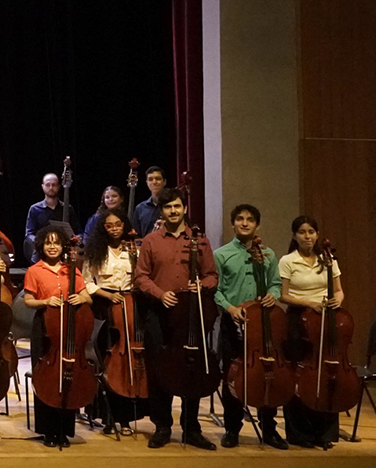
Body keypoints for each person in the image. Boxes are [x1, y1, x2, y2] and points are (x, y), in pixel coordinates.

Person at [132, 186, 218, 450]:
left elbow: (212, 275)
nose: (173, 211)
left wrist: (201, 286)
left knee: (192, 368)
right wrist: (160, 294)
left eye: (177, 206)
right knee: (161, 369)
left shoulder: (200, 241)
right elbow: (141, 277)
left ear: (184, 209)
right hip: (159, 312)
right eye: (168, 207)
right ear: (162, 211)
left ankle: (191, 427)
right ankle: (162, 426)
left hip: (191, 313)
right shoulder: (151, 241)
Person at [212, 203, 288, 449]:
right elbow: (216, 290)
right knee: (232, 377)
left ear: (257, 225)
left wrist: (272, 295)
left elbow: (275, 284)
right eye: (240, 219)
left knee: (268, 373)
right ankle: (232, 429)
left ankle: (269, 430)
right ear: (233, 223)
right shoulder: (221, 254)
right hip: (233, 321)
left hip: (261, 324)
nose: (245, 223)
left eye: (250, 220)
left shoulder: (267, 254)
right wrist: (230, 307)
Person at [22, 225, 93, 447]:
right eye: (48, 242)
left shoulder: (72, 270)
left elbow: (87, 297)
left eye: (56, 242)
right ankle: (48, 431)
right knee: (46, 378)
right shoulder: (34, 270)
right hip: (44, 328)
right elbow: (28, 300)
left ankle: (64, 430)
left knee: (69, 376)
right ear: (41, 246)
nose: (52, 246)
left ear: (63, 246)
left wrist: (81, 299)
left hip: (70, 329)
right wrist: (45, 302)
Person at [278, 214, 345, 449]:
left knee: (328, 374)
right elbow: (283, 295)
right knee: (298, 374)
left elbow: (338, 290)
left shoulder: (328, 259)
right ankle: (299, 432)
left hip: (325, 319)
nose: (307, 236)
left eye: (311, 232)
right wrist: (309, 303)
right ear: (295, 236)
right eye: (302, 232)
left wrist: (337, 300)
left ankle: (325, 433)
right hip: (297, 320)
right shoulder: (288, 260)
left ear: (317, 235)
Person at [82, 206, 141, 434]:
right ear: (102, 227)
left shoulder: (132, 249)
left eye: (118, 224)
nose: (115, 229)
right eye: (109, 225)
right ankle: (106, 416)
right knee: (106, 360)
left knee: (127, 362)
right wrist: (108, 295)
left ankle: (125, 417)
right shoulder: (97, 250)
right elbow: (87, 282)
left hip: (128, 303)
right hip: (104, 306)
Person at [23, 173, 75, 263]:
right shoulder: (35, 209)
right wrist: (43, 241)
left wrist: (77, 238)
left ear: (59, 187)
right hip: (40, 254)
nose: (51, 187)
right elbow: (29, 234)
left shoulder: (68, 208)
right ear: (42, 186)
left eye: (54, 185)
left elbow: (78, 231)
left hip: (63, 254)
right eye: (48, 185)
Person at [133, 166, 167, 239]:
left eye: (158, 179)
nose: (154, 182)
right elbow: (136, 235)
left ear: (164, 182)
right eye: (150, 179)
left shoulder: (173, 206)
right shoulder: (140, 208)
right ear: (147, 182)